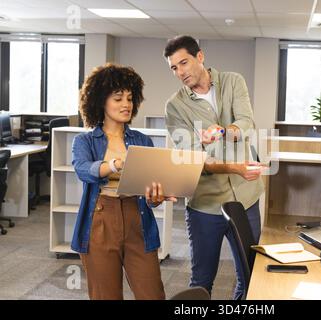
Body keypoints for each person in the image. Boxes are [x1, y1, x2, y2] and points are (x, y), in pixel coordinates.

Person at [163, 35, 265, 299]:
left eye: (183, 63)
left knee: (249, 274)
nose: (180, 72)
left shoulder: (233, 81)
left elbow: (246, 122)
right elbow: (194, 160)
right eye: (173, 68)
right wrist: (234, 167)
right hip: (205, 206)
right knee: (202, 281)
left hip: (245, 199)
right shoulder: (175, 106)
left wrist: (222, 131)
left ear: (200, 56)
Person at [71, 63, 176, 300]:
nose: (126, 104)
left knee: (152, 294)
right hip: (100, 220)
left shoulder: (142, 140)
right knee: (105, 295)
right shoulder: (84, 141)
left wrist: (156, 197)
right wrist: (114, 165)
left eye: (130, 98)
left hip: (137, 218)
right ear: (101, 101)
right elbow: (83, 170)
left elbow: (149, 192)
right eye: (118, 98)